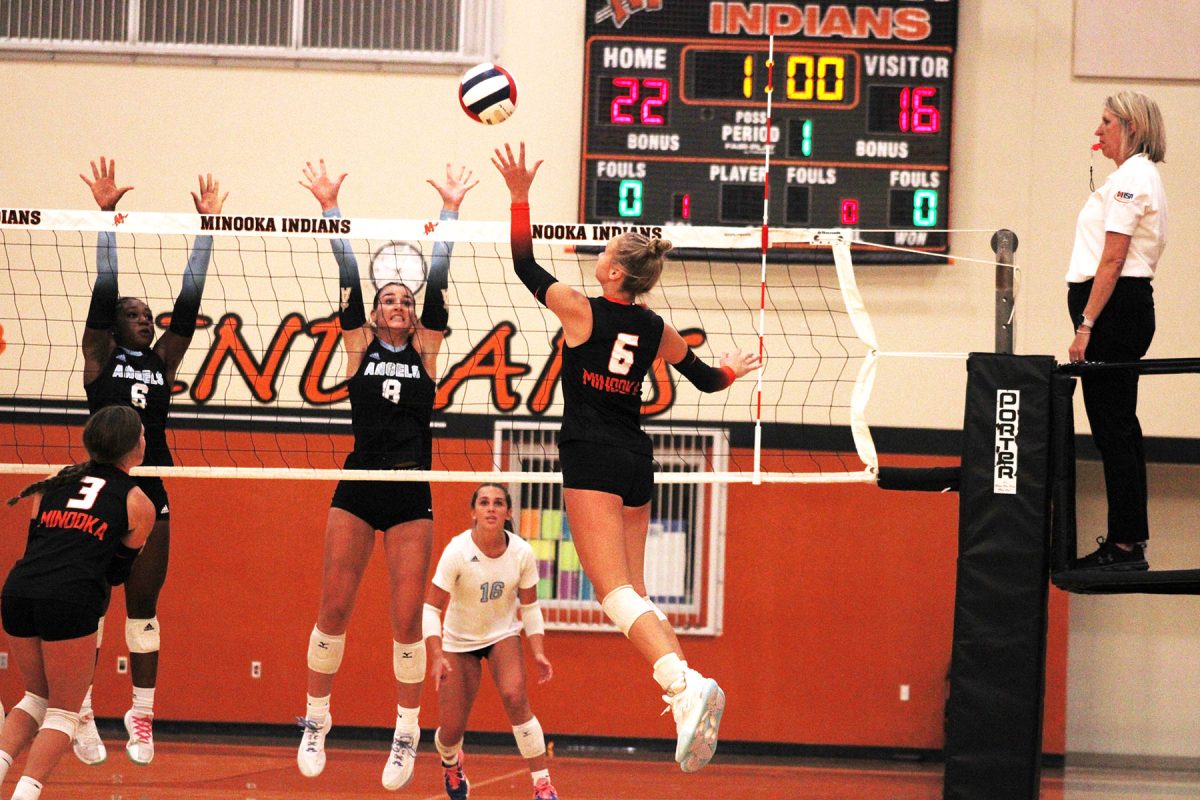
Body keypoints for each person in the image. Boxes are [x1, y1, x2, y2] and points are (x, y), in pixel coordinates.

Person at [492, 142, 760, 773]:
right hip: (639, 463)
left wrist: (520, 194)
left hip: (590, 459)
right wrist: (734, 368)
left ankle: (682, 687)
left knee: (612, 594)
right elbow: (704, 381)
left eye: (606, 252)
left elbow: (523, 262)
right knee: (634, 593)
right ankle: (685, 686)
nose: (599, 255)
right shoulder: (655, 327)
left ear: (614, 273)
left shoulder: (579, 312)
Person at [295, 159, 477, 791]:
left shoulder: (428, 350)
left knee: (406, 621)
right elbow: (346, 276)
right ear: (374, 316)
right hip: (359, 484)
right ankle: (316, 717)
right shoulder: (357, 347)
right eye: (388, 301)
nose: (398, 306)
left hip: (410, 491)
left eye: (406, 300)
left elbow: (442, 276)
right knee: (334, 607)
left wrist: (449, 212)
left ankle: (405, 732)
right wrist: (331, 208)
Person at [78, 156, 227, 764]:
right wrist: (108, 220)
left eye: (148, 315)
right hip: (97, 489)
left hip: (154, 489)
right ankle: (79, 706)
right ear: (114, 327)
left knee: (143, 605)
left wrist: (207, 231)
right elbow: (102, 296)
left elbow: (188, 309)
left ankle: (141, 715)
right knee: (86, 601)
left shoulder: (161, 361)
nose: (146, 318)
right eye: (135, 314)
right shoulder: (98, 356)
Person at [0, 405, 155, 800]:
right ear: (131, 445)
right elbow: (117, 573)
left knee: (34, 699)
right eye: (141, 434)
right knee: (64, 712)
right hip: (69, 600)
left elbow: (38, 546)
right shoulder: (138, 502)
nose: (144, 439)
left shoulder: (51, 484)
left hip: (19, 591)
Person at [1066, 91, 1167, 571]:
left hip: (1116, 311)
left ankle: (1126, 547)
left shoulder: (1134, 176)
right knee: (1117, 428)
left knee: (1114, 429)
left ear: (1130, 125)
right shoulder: (1127, 177)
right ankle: (1129, 541)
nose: (1097, 131)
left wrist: (1086, 323)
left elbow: (1113, 257)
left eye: (1105, 121)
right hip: (1118, 310)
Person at [423, 483, 558, 800]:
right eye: (484, 502)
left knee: (515, 697)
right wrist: (435, 654)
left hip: (502, 634)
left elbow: (530, 607)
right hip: (458, 642)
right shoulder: (457, 551)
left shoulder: (522, 552)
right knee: (451, 730)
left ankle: (543, 784)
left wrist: (538, 651)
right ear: (473, 512)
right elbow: (430, 608)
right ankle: (451, 763)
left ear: (508, 512)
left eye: (498, 503)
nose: (491, 508)